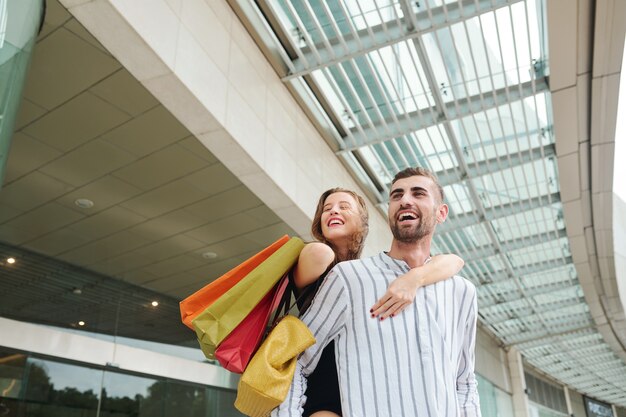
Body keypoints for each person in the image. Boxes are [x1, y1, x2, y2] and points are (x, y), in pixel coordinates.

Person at [274, 168, 482, 417]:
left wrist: (416, 277)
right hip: (326, 400)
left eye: (418, 193)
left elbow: (465, 381)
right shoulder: (347, 276)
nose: (405, 200)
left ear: (442, 212)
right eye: (396, 195)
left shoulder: (462, 292)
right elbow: (296, 359)